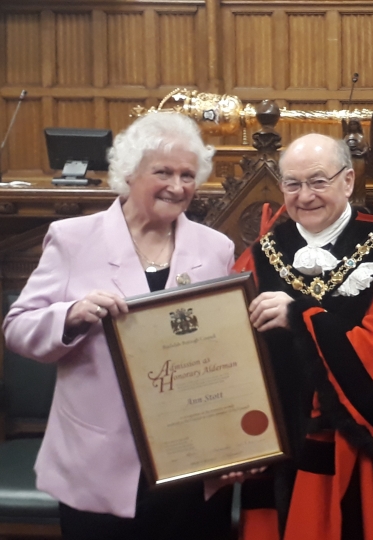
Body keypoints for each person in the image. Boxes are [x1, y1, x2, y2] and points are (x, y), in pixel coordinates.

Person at [2, 112, 236, 540]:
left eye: (188, 174)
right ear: (128, 174)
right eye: (162, 172)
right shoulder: (72, 238)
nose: (178, 186)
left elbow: (227, 348)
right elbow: (17, 328)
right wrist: (70, 316)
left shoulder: (216, 247)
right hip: (100, 462)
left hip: (193, 458)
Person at [243, 133, 373, 540]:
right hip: (284, 434)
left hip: (356, 441)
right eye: (292, 183)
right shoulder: (263, 251)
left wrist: (301, 315)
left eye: (318, 181)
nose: (304, 196)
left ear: (347, 181)